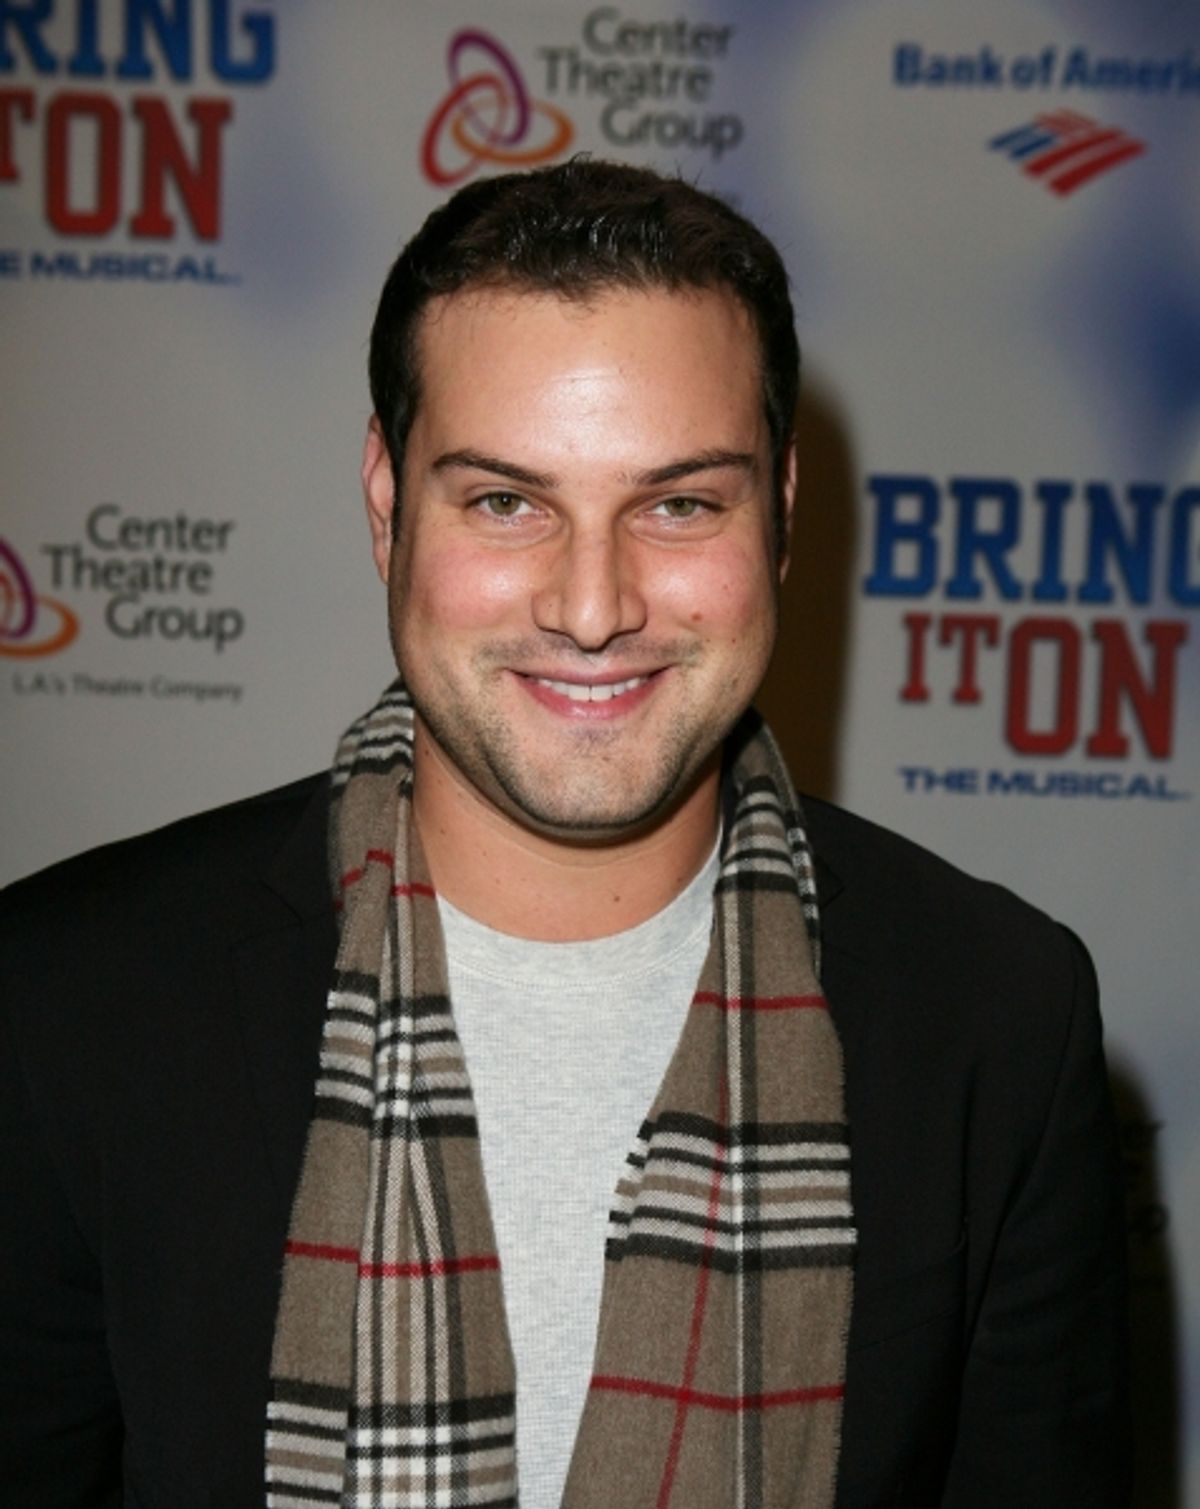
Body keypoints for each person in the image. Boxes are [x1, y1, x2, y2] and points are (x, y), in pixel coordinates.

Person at [0, 159, 1129, 1508]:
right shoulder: (67, 1002)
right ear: (385, 500)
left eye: (678, 503)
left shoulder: (999, 1013)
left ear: (778, 507)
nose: (592, 606)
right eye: (505, 501)